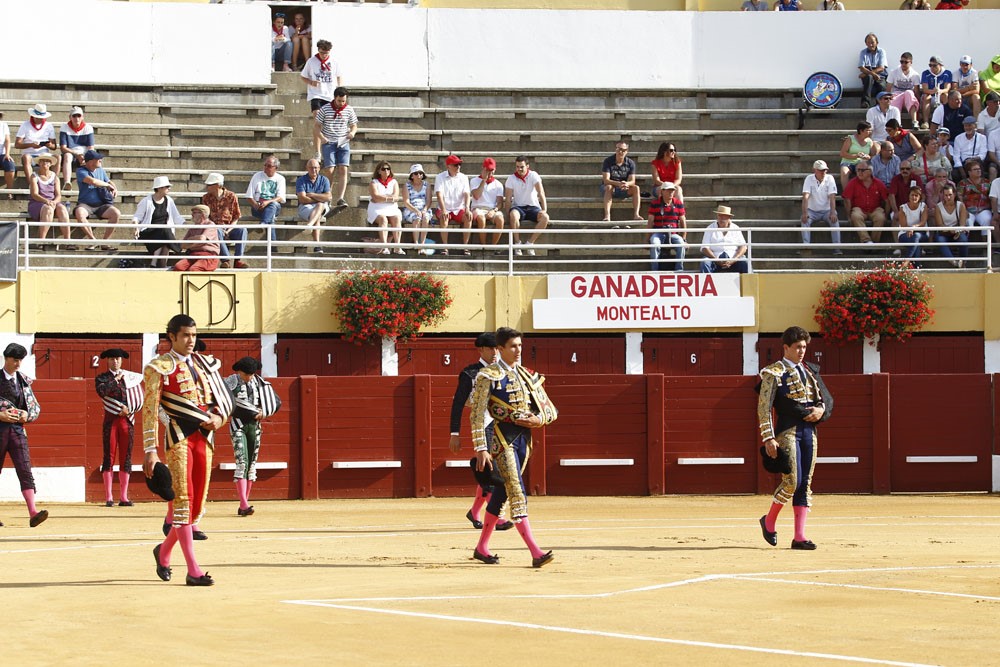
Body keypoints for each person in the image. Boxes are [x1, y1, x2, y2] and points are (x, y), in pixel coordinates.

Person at [144, 314, 233, 586]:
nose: (191, 341)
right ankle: (193, 570)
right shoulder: (158, 367)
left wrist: (220, 418)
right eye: (185, 335)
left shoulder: (206, 364)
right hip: (178, 437)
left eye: (193, 335)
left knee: (195, 508)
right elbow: (149, 411)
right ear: (171, 337)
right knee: (183, 502)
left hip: (204, 438)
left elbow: (220, 400)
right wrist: (151, 449)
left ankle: (164, 551)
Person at [468, 327, 557, 568]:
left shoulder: (528, 375)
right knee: (517, 489)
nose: (518, 350)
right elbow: (476, 415)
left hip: (523, 439)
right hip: (501, 437)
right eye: (513, 346)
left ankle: (482, 547)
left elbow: (550, 409)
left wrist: (539, 420)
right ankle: (535, 551)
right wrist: (481, 448)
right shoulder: (488, 375)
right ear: (500, 349)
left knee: (503, 492)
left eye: (520, 345)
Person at [757, 326, 832, 551]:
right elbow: (764, 407)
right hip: (787, 430)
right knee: (791, 481)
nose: (801, 351)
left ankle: (799, 536)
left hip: (809, 431)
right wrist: (768, 438)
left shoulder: (810, 371)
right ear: (786, 347)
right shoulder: (773, 372)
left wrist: (821, 410)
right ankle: (769, 521)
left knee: (805, 483)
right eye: (798, 347)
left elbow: (826, 399)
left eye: (804, 347)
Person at [448, 333, 512, 533]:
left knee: (492, 469)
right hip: (483, 424)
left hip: (501, 424)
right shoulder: (470, 373)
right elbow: (458, 404)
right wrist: (454, 433)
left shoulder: (503, 371)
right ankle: (498, 516)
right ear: (481, 350)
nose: (495, 353)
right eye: (491, 348)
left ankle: (475, 512)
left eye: (497, 349)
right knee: (491, 470)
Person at [224, 357, 281, 518]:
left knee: (251, 465)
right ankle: (244, 503)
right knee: (242, 462)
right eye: (246, 374)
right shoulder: (230, 382)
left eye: (251, 374)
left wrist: (264, 412)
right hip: (239, 426)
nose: (249, 377)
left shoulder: (259, 382)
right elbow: (222, 399)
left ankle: (244, 505)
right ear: (238, 371)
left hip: (255, 426)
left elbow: (274, 402)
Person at [0, 343, 47, 529]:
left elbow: (35, 407)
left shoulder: (24, 381)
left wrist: (28, 415)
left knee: (25, 469)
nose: (18, 363)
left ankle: (33, 512)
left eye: (20, 360)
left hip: (17, 430)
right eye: (15, 359)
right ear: (6, 358)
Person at [94, 348, 143, 507]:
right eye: (112, 359)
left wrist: (130, 410)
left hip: (127, 420)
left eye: (118, 359)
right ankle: (108, 497)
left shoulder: (131, 377)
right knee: (108, 456)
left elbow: (138, 397)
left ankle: (123, 497)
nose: (115, 361)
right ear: (107, 361)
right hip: (111, 421)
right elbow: (103, 392)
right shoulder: (102, 378)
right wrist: (116, 379)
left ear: (122, 361)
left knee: (126, 457)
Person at [313, 87, 357, 210]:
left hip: (343, 142)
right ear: (334, 98)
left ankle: (341, 197)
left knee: (343, 169)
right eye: (339, 101)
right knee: (330, 170)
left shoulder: (349, 109)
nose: (341, 103)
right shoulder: (325, 109)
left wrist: (352, 133)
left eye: (343, 101)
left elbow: (354, 126)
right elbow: (316, 126)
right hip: (329, 142)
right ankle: (328, 196)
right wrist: (322, 137)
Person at [301, 39, 343, 155]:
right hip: (316, 95)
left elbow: (339, 76)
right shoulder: (311, 61)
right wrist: (311, 82)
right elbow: (303, 76)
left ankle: (328, 145)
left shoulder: (334, 62)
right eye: (322, 53)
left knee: (328, 123)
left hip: (330, 95)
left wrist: (340, 90)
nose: (324, 55)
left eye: (326, 53)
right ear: (318, 50)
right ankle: (317, 151)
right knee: (317, 119)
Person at [74, 150, 120, 251]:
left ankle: (105, 242)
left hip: (101, 204)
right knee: (79, 213)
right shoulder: (81, 171)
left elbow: (109, 181)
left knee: (116, 213)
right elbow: (93, 181)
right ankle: (93, 240)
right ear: (90, 161)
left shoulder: (101, 170)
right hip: (85, 204)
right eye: (98, 159)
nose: (101, 160)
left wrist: (114, 188)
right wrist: (107, 185)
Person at [133, 176, 183, 269]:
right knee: (165, 231)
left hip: (163, 233)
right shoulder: (146, 201)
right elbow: (137, 217)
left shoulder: (169, 200)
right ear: (160, 188)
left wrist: (185, 224)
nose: (169, 189)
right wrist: (136, 227)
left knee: (165, 237)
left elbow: (177, 216)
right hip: (148, 231)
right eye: (167, 187)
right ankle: (178, 249)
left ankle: (156, 263)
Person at [504, 156, 550, 256]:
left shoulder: (534, 175)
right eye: (517, 167)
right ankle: (517, 244)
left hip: (533, 207)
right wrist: (507, 214)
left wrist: (544, 209)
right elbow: (508, 199)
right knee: (513, 215)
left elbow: (541, 193)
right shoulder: (511, 178)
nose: (519, 169)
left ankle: (530, 243)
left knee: (545, 217)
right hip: (518, 207)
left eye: (521, 167)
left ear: (527, 166)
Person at [202, 172, 246, 270]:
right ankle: (225, 260)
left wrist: (228, 230)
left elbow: (236, 216)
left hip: (229, 227)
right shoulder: (206, 198)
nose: (207, 187)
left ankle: (238, 260)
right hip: (214, 227)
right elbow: (206, 218)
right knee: (216, 231)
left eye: (209, 185)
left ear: (217, 185)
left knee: (243, 230)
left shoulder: (231, 196)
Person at [26, 154, 70, 250]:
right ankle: (41, 240)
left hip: (52, 201)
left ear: (50, 164)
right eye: (42, 160)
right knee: (48, 209)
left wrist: (54, 202)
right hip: (37, 202)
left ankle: (68, 241)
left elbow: (58, 195)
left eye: (47, 161)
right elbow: (34, 194)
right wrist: (47, 201)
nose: (45, 162)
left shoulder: (55, 177)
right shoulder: (34, 176)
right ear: (39, 163)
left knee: (62, 209)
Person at [800, 160, 841, 256]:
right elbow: (805, 196)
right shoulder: (808, 179)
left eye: (825, 170)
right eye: (821, 170)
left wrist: (833, 212)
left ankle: (837, 248)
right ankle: (806, 247)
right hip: (812, 210)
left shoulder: (830, 178)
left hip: (827, 210)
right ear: (815, 170)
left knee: (835, 221)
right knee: (804, 221)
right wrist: (805, 213)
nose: (823, 172)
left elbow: (832, 197)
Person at [843, 160, 889, 247]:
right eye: (858, 170)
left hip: (875, 208)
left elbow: (887, 200)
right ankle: (866, 241)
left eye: (862, 170)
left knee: (880, 217)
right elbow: (847, 199)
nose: (859, 172)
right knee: (855, 215)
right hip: (859, 209)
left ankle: (874, 243)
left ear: (870, 171)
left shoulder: (878, 183)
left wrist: (886, 214)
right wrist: (848, 216)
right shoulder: (852, 183)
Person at [434, 155, 472, 256]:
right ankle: (445, 247)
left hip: (459, 208)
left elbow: (467, 194)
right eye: (456, 165)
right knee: (444, 217)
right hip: (445, 207)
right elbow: (439, 195)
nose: (458, 166)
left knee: (468, 217)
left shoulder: (464, 177)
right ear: (448, 166)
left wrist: (467, 208)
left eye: (459, 164)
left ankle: (466, 246)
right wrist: (443, 209)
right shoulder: (440, 177)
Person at [246, 155, 286, 243]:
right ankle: (273, 248)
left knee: (273, 205)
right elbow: (249, 196)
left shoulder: (280, 179)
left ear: (276, 168)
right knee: (270, 220)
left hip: (274, 207)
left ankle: (263, 223)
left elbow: (281, 197)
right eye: (265, 165)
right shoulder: (257, 176)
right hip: (257, 207)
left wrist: (267, 202)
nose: (266, 168)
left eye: (269, 166)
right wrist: (256, 205)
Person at [367, 161, 404, 256]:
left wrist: (382, 197)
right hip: (376, 208)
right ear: (379, 171)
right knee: (383, 219)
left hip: (391, 208)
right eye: (383, 169)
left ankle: (397, 247)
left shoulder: (394, 182)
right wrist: (388, 197)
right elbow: (375, 197)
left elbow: (396, 197)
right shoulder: (373, 182)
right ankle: (385, 247)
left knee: (396, 218)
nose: (386, 170)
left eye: (388, 168)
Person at [647, 182, 687, 271]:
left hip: (673, 233)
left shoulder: (678, 203)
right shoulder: (655, 203)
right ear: (662, 191)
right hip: (658, 232)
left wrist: (684, 239)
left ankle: (679, 269)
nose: (671, 192)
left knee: (681, 244)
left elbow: (683, 221)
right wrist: (648, 239)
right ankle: (655, 270)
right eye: (669, 190)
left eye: (672, 190)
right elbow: (650, 222)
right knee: (654, 243)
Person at [296, 158, 332, 253]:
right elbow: (302, 199)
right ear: (307, 168)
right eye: (311, 168)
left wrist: (312, 195)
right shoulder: (301, 180)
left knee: (320, 206)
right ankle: (317, 246)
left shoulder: (324, 180)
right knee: (318, 213)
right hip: (305, 207)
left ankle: (310, 226)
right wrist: (320, 197)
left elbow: (328, 197)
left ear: (319, 168)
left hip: (320, 206)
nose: (314, 170)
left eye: (316, 167)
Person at [699, 205, 749, 273]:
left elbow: (743, 247)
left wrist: (733, 260)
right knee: (705, 262)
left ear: (729, 217)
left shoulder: (735, 228)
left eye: (724, 216)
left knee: (745, 262)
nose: (721, 218)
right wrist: (716, 260)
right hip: (715, 259)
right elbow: (704, 248)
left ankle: (750, 283)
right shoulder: (710, 228)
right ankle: (707, 283)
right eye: (719, 215)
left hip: (733, 259)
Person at [15, 104, 57, 182]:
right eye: (39, 118)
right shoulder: (25, 125)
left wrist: (49, 145)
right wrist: (31, 145)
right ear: (33, 116)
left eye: (42, 118)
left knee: (58, 157)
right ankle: (31, 184)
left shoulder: (49, 125)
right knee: (26, 157)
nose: (41, 120)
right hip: (29, 154)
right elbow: (17, 144)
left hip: (44, 154)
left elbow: (54, 146)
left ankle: (53, 183)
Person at [601, 141, 642, 222]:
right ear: (615, 150)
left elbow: (632, 181)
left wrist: (626, 183)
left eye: (623, 150)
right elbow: (606, 180)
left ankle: (636, 214)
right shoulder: (608, 161)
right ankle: (607, 215)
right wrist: (618, 184)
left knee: (636, 188)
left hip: (623, 187)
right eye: (619, 149)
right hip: (609, 188)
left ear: (626, 151)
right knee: (609, 187)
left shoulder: (630, 163)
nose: (620, 152)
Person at [172, 205, 220, 272]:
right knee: (178, 267)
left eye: (194, 212)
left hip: (208, 255)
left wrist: (190, 242)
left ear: (202, 214)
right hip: (193, 254)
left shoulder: (210, 225)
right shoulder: (193, 227)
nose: (192, 215)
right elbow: (183, 245)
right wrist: (195, 241)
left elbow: (201, 239)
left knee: (194, 269)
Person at [470, 158, 505, 247]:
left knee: (500, 219)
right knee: (481, 218)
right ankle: (484, 245)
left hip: (492, 209)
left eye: (492, 170)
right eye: (488, 170)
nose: (490, 173)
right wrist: (484, 180)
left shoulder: (498, 184)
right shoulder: (474, 181)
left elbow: (500, 203)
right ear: (483, 168)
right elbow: (476, 196)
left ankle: (493, 246)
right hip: (477, 208)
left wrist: (494, 210)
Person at [58, 106, 94, 191]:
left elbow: (91, 148)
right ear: (70, 117)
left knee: (93, 157)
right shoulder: (64, 127)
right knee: (67, 156)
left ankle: (93, 184)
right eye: (74, 116)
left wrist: (86, 157)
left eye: (79, 116)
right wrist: (77, 154)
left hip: (84, 153)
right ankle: (67, 182)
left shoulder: (88, 127)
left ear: (82, 117)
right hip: (71, 152)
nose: (77, 118)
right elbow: (63, 148)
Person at [934, 183, 970, 267]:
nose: (948, 197)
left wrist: (956, 230)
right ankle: (954, 263)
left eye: (950, 195)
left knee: (963, 240)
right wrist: (949, 229)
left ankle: (963, 262)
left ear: (954, 194)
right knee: (940, 240)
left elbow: (962, 224)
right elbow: (940, 225)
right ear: (943, 195)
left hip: (957, 232)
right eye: (946, 195)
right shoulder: (938, 207)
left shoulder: (960, 205)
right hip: (944, 233)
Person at [957, 159, 992, 240]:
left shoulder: (987, 182)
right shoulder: (963, 183)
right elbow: (959, 196)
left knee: (987, 219)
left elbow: (991, 196)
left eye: (979, 169)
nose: (978, 171)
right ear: (969, 172)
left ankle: (985, 247)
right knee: (968, 222)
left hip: (983, 209)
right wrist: (964, 210)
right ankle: (965, 247)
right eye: (975, 169)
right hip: (968, 210)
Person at [402, 164, 432, 254]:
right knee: (417, 218)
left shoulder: (427, 185)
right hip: (411, 209)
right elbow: (406, 202)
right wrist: (416, 211)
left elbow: (429, 200)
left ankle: (422, 244)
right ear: (412, 175)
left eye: (420, 173)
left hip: (424, 208)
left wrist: (424, 210)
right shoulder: (406, 185)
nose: (418, 175)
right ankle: (416, 243)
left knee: (425, 217)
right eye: (415, 173)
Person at [886, 53, 922, 128]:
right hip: (896, 95)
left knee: (909, 93)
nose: (903, 64)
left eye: (906, 62)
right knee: (894, 98)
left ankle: (914, 122)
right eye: (901, 62)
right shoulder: (894, 72)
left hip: (908, 98)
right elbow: (888, 88)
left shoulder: (915, 75)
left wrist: (919, 104)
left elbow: (917, 91)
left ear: (911, 63)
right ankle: (896, 124)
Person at [838, 121, 877, 190]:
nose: (870, 132)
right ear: (861, 131)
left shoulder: (869, 141)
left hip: (862, 163)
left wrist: (868, 157)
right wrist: (856, 156)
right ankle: (846, 193)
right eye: (868, 130)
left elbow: (872, 155)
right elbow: (842, 153)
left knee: (867, 171)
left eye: (870, 130)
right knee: (844, 172)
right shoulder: (850, 139)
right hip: (848, 162)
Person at [896, 186, 929, 262]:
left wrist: (913, 228)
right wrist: (910, 229)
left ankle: (906, 262)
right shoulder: (902, 208)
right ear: (909, 196)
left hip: (922, 233)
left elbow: (923, 222)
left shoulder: (923, 206)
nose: (914, 197)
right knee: (915, 240)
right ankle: (916, 265)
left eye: (916, 195)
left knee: (916, 236)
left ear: (920, 197)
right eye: (912, 195)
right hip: (905, 233)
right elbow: (903, 225)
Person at [887, 160, 925, 228]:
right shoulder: (895, 179)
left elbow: (923, 196)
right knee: (895, 219)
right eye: (902, 169)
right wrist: (896, 211)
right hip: (899, 209)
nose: (905, 170)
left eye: (907, 169)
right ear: (899, 169)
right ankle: (897, 239)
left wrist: (918, 209)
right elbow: (891, 196)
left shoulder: (917, 178)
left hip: (914, 209)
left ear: (911, 169)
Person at [923, 57, 956, 130]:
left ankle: (946, 120)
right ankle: (926, 122)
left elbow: (947, 88)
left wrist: (939, 91)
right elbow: (925, 89)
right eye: (930, 65)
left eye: (934, 65)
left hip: (941, 95)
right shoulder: (926, 73)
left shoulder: (947, 73)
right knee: (926, 96)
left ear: (940, 65)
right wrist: (933, 91)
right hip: (930, 96)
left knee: (946, 95)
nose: (932, 67)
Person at [857, 33, 887, 108]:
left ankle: (879, 104)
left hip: (880, 74)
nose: (870, 45)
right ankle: (865, 102)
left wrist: (865, 74)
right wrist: (872, 74)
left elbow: (881, 68)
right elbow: (861, 67)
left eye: (872, 42)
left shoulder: (881, 52)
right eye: (868, 43)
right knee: (869, 77)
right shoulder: (863, 52)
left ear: (877, 42)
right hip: (868, 75)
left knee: (882, 85)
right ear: (866, 43)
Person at [0, 111, 15, 196]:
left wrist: (7, 153)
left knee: (10, 165)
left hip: (2, 153)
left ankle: (9, 191)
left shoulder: (3, 125)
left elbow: (7, 140)